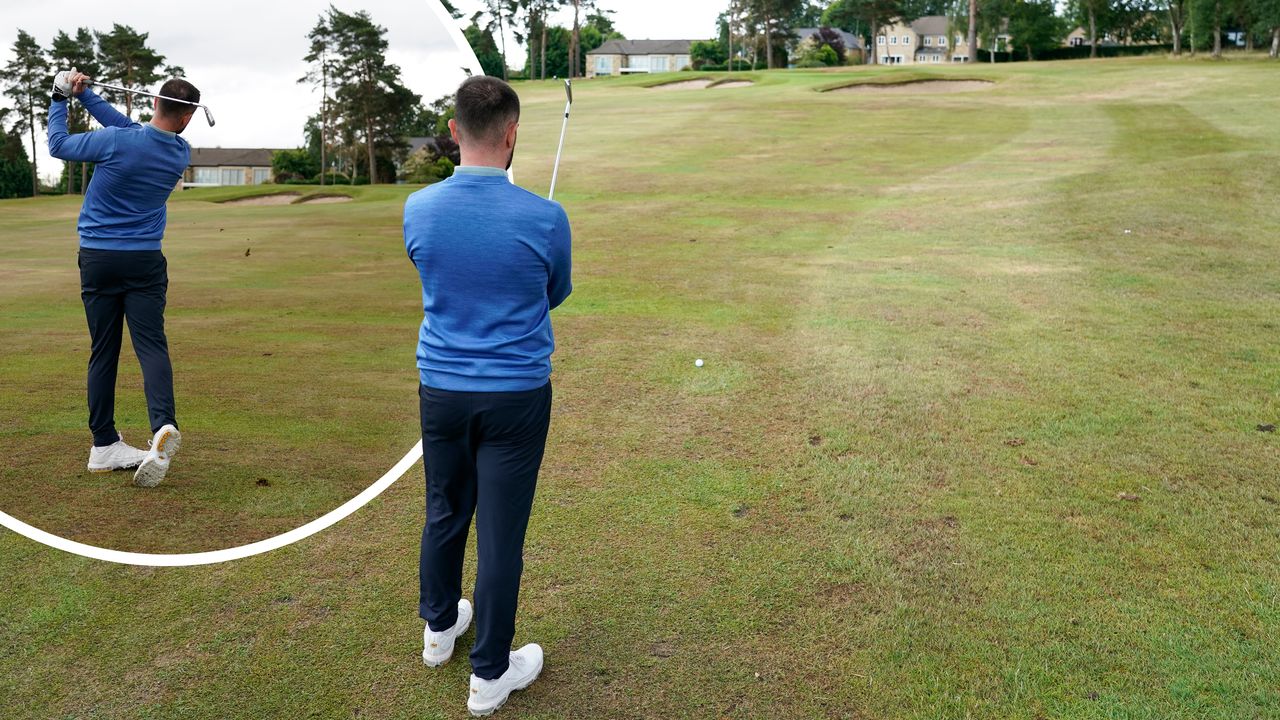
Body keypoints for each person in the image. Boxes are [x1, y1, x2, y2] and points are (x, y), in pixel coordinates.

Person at [404, 75, 572, 717]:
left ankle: (439, 630)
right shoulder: (545, 216)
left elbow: (434, 271)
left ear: (453, 132)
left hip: (441, 390)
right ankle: (489, 675)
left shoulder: (418, 207)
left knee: (446, 508)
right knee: (501, 532)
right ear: (511, 135)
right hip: (516, 397)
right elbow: (554, 293)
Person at [47, 70, 195, 488]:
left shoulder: (117, 142)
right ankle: (163, 424)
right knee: (151, 345)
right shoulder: (179, 152)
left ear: (153, 103)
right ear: (185, 119)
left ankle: (103, 445)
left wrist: (61, 97)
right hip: (145, 261)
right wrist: (88, 96)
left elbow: (58, 145)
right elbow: (132, 131)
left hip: (98, 258)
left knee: (104, 350)